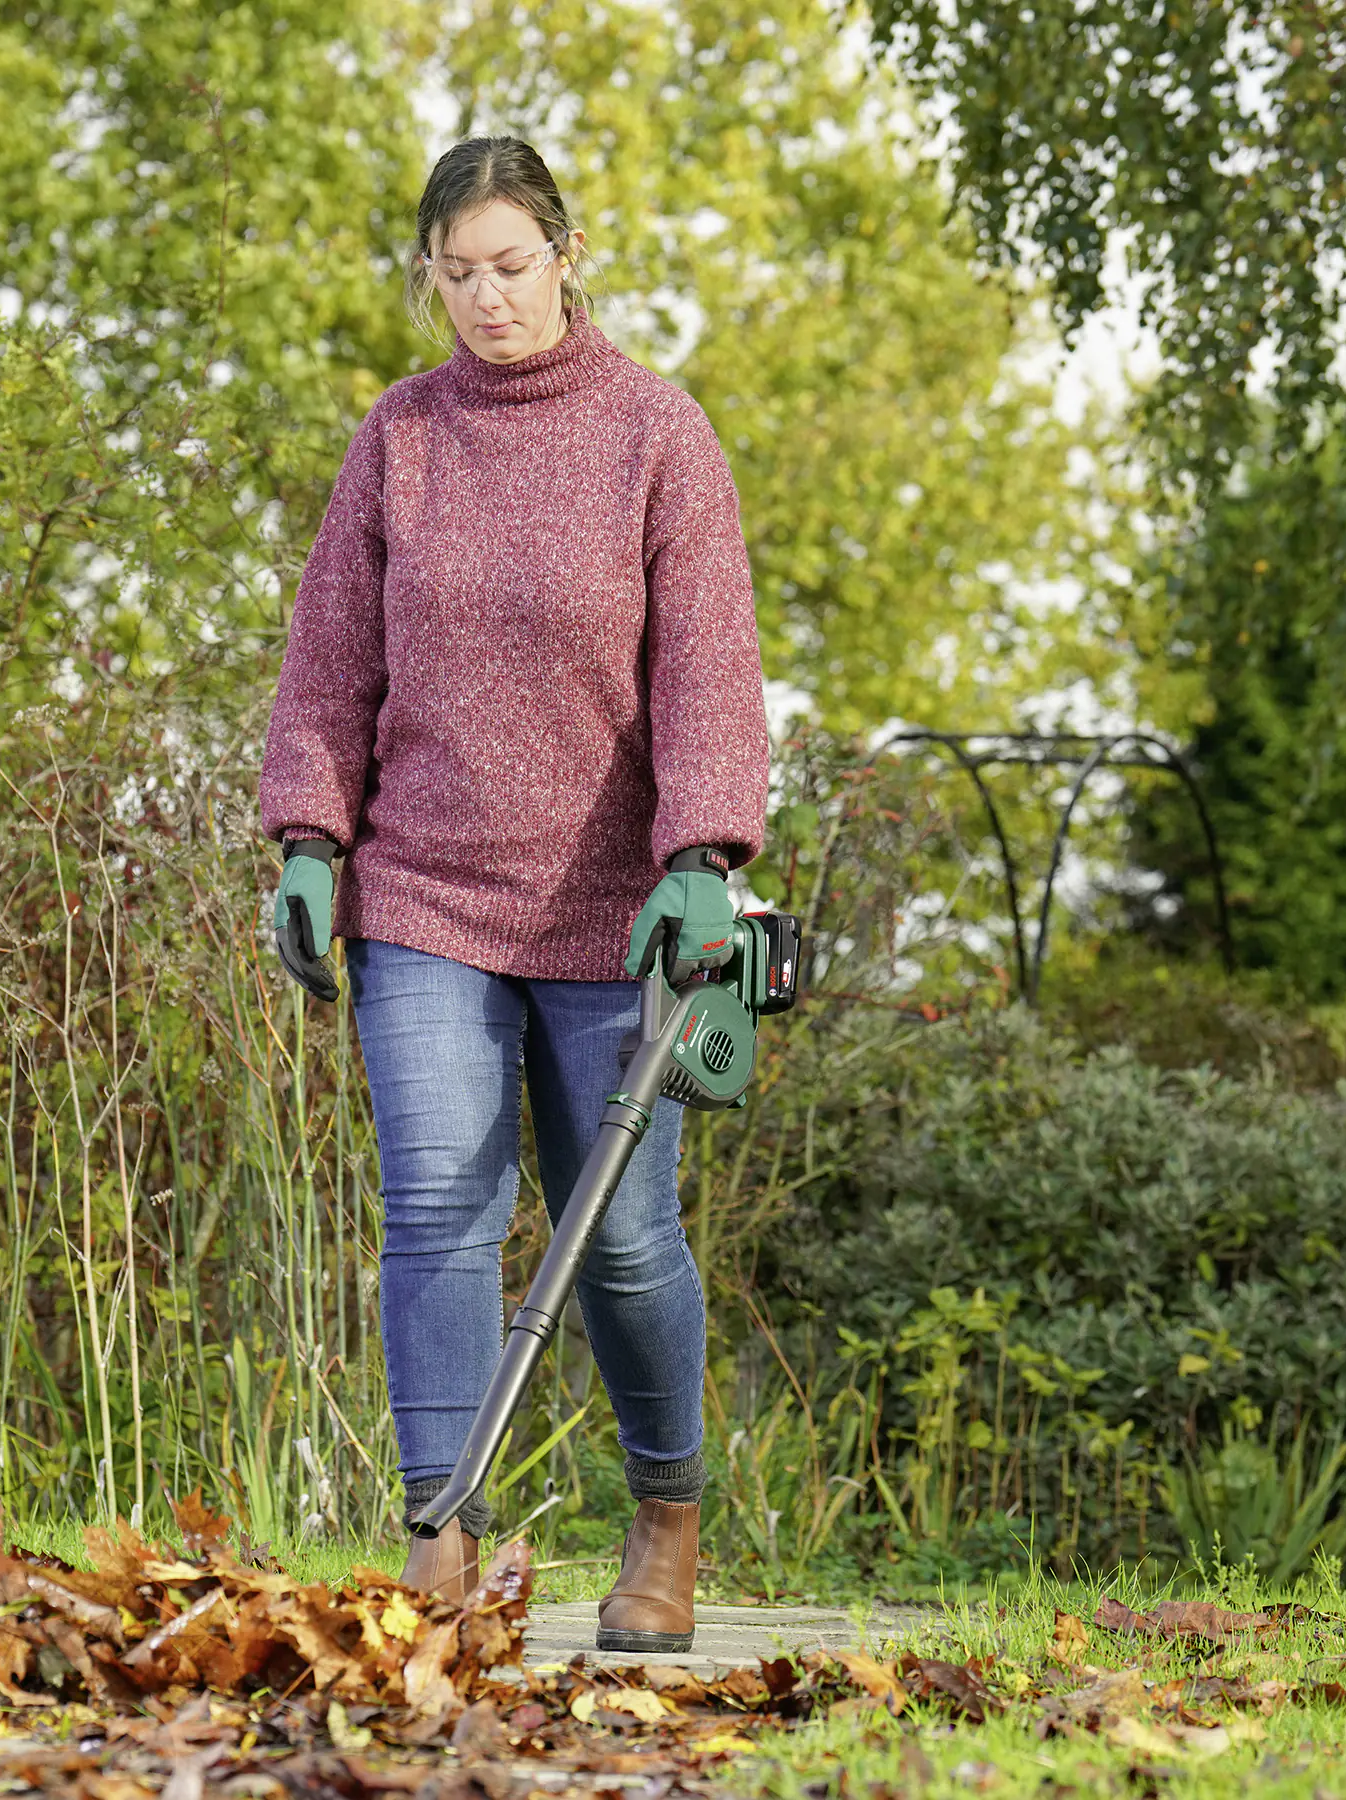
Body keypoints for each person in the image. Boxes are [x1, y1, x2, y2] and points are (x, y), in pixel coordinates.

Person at [255, 136, 768, 1651]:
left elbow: (709, 668)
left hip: (618, 913)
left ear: (567, 256)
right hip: (424, 892)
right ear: (430, 276)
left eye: (512, 265)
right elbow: (330, 658)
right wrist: (307, 837)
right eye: (458, 272)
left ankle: (665, 1514)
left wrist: (701, 858)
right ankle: (441, 1547)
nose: (487, 297)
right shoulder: (401, 437)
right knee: (436, 1208)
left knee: (622, 1238)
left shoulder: (657, 434)